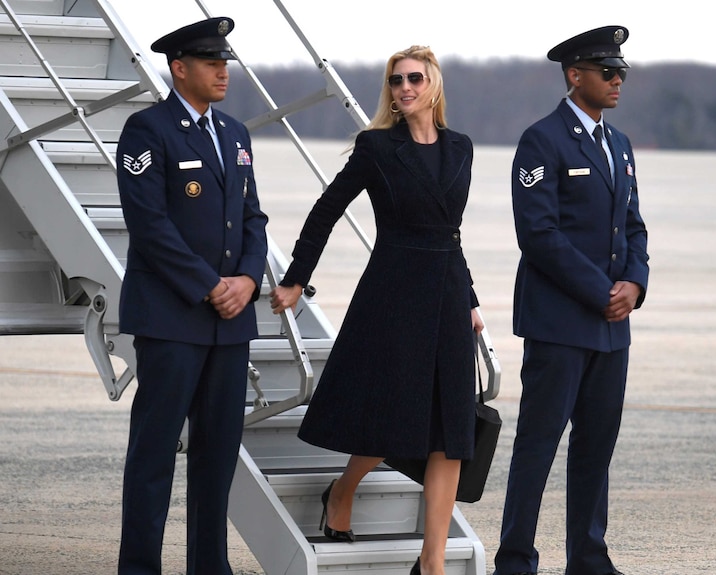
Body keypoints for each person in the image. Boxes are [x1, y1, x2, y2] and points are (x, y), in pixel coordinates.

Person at [269, 45, 483, 575]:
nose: (404, 88)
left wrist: (471, 299)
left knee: (451, 433)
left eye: (414, 78)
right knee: (392, 420)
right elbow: (326, 212)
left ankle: (431, 562)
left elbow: (450, 233)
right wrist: (297, 280)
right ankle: (342, 491)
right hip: (393, 293)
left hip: (447, 297)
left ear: (434, 83)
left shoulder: (462, 148)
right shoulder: (377, 147)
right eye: (394, 81)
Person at [493, 26, 649, 575]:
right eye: (607, 72)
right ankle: (514, 560)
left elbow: (633, 227)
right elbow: (538, 234)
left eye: (621, 72)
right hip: (560, 323)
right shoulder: (543, 140)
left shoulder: (620, 145)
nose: (617, 81)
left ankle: (588, 559)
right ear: (574, 75)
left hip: (611, 328)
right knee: (537, 447)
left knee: (595, 449)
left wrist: (635, 284)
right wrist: (600, 291)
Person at [115, 17, 268, 575]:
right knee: (154, 455)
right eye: (210, 62)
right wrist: (210, 287)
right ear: (180, 68)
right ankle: (139, 567)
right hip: (173, 318)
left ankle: (210, 567)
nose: (223, 70)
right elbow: (150, 224)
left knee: (217, 456)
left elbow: (253, 217)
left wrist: (249, 280)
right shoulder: (147, 130)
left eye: (225, 61)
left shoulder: (235, 134)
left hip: (230, 326)